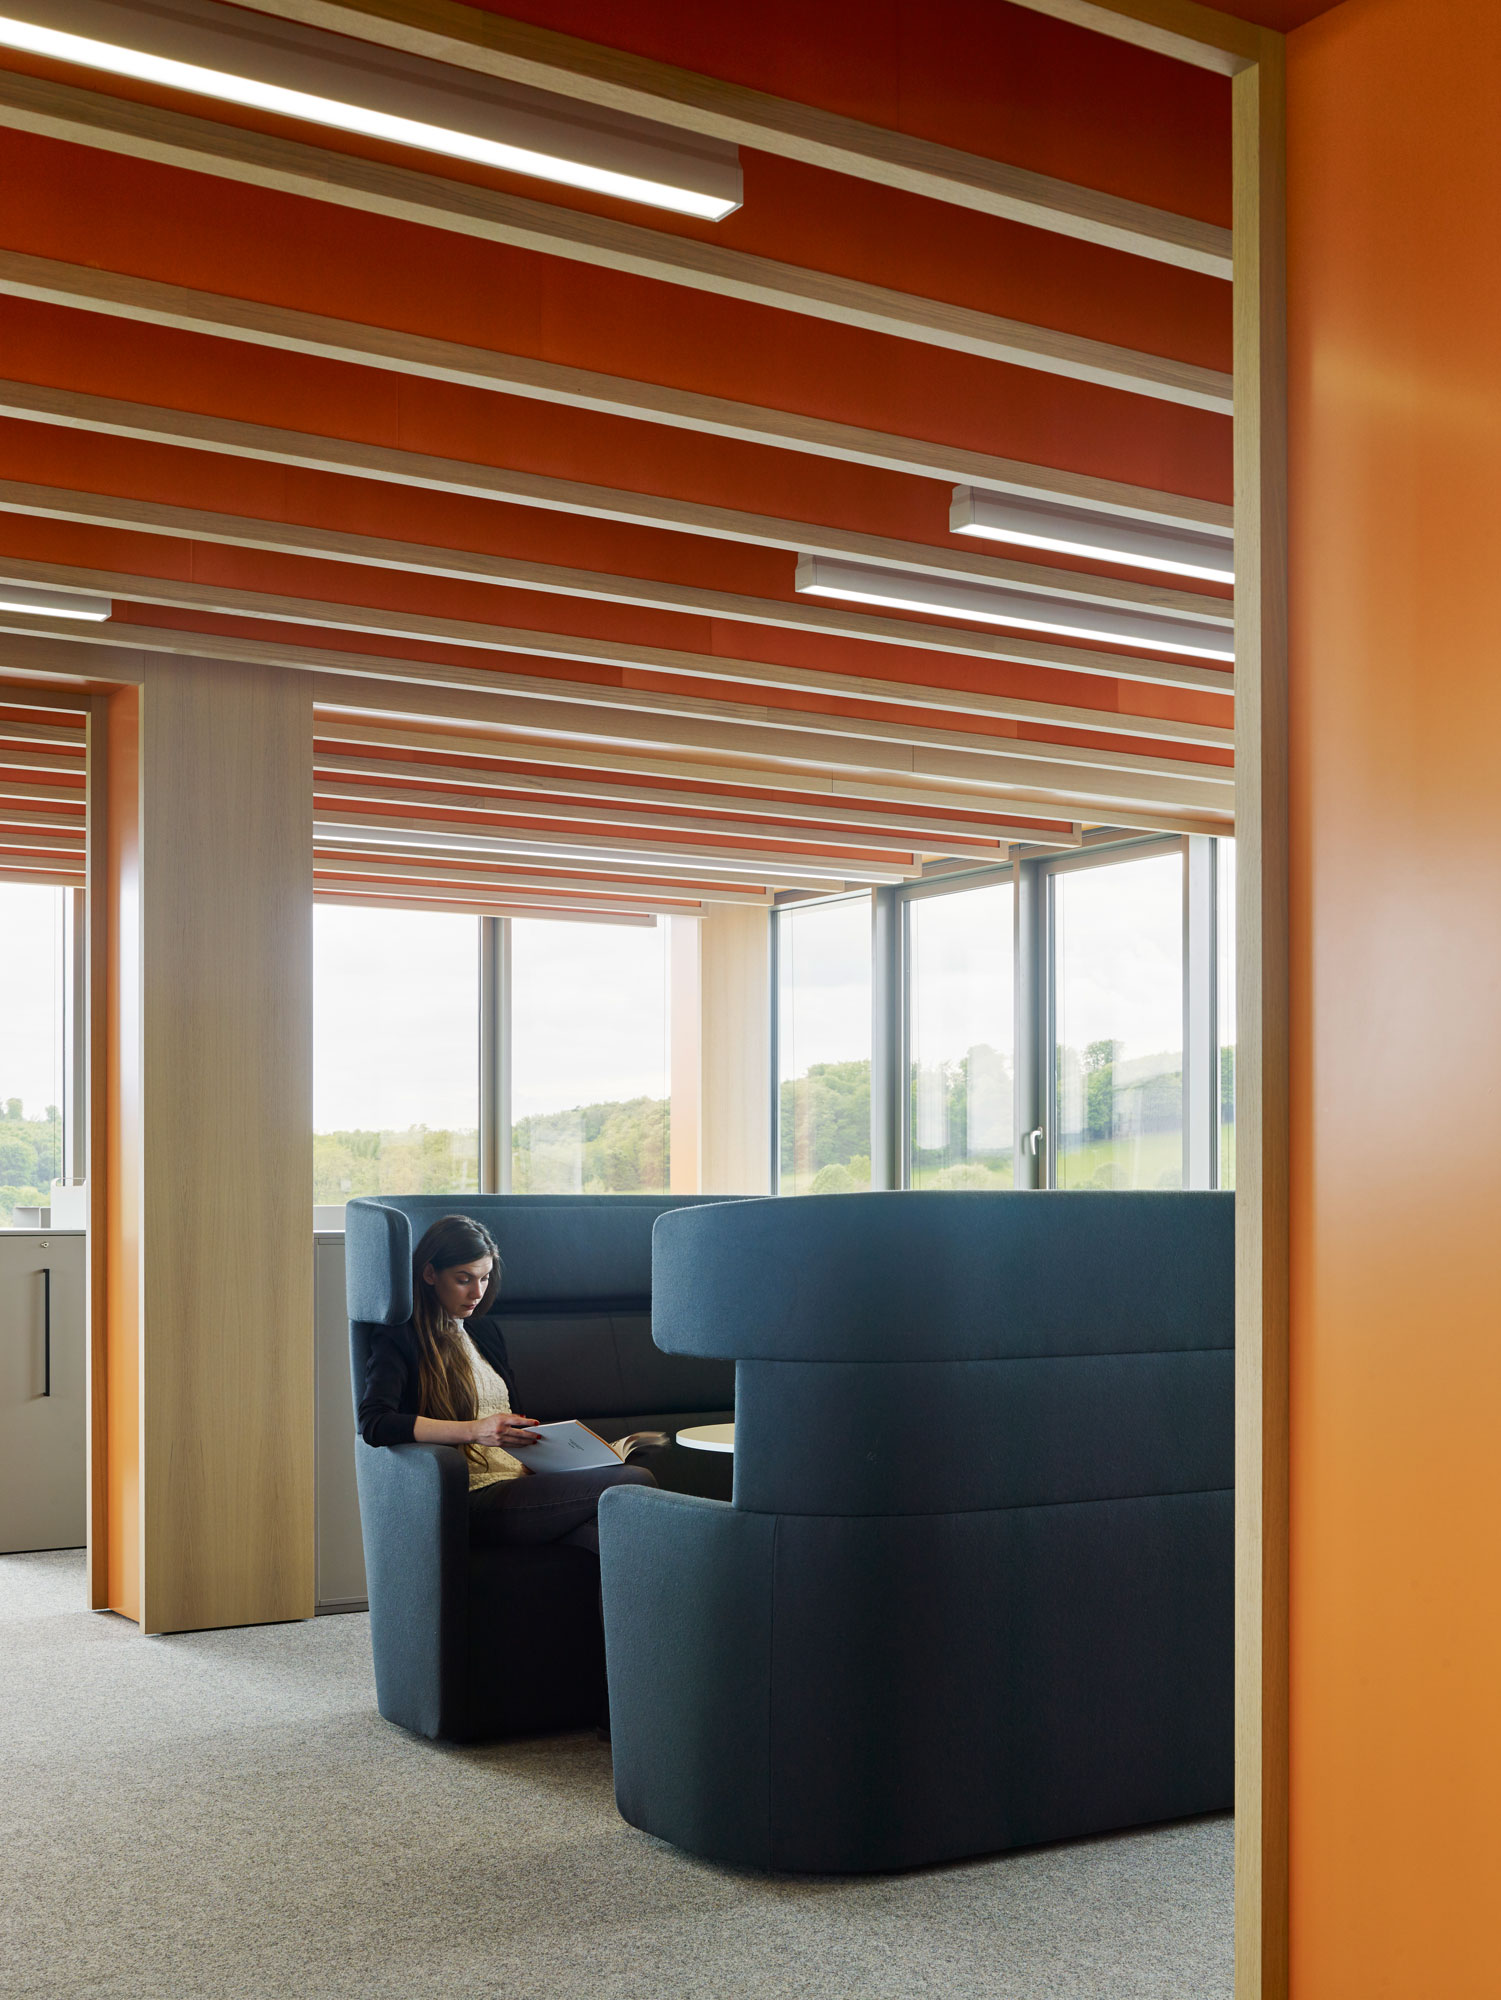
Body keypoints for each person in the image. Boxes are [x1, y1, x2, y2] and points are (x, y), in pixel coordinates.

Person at [357, 1212, 653, 1554]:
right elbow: (375, 1423)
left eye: (484, 1278)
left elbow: (512, 1416)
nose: (477, 1292)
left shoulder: (484, 1330)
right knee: (634, 1481)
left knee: (611, 1536)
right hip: (474, 1493)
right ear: (429, 1274)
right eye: (464, 1279)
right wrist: (474, 1431)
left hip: (519, 1480)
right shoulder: (401, 1336)